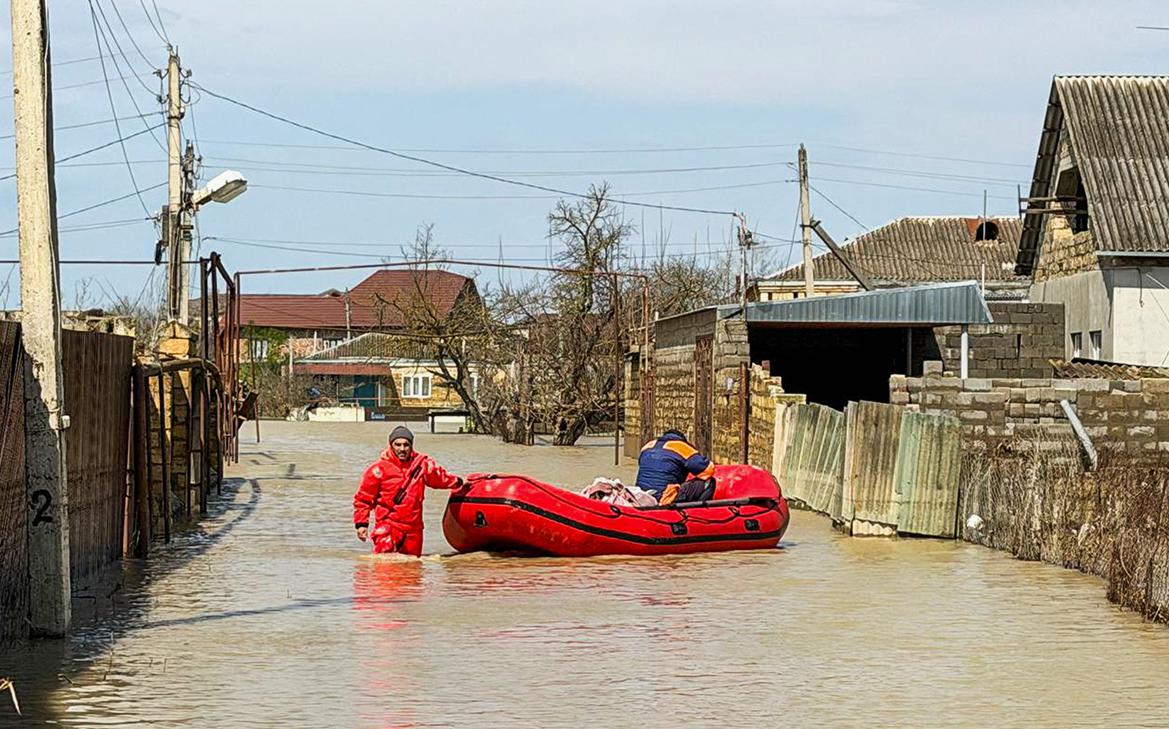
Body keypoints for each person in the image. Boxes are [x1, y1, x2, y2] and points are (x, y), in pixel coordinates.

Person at [353, 425, 465, 556]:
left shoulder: (422, 465)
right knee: (384, 566)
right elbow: (363, 499)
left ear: (411, 446)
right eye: (398, 444)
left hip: (414, 530)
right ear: (390, 445)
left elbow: (439, 479)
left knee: (413, 567)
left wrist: (460, 482)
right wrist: (361, 524)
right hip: (388, 527)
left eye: (406, 445)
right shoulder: (377, 469)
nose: (402, 449)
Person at [635, 429, 716, 505]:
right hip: (664, 498)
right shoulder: (681, 446)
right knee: (709, 481)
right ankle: (699, 511)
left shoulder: (647, 446)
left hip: (640, 496)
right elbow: (708, 470)